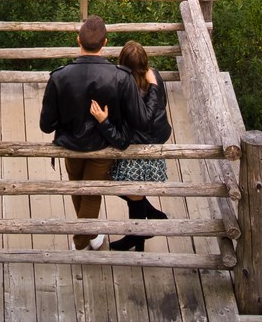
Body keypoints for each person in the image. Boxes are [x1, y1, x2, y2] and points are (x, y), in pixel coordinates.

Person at [39, 15, 142, 250]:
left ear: (78, 40)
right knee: (91, 192)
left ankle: (82, 239)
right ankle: (88, 237)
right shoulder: (121, 77)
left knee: (78, 186)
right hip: (103, 145)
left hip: (69, 144)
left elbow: (46, 125)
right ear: (105, 42)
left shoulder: (59, 76)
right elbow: (135, 119)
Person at [91, 40, 171, 251]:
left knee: (124, 188)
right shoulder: (155, 76)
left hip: (138, 146)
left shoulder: (125, 87)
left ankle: (136, 237)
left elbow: (130, 130)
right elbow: (163, 104)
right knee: (135, 193)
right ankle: (149, 218)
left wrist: (104, 123)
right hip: (156, 141)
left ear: (122, 63)